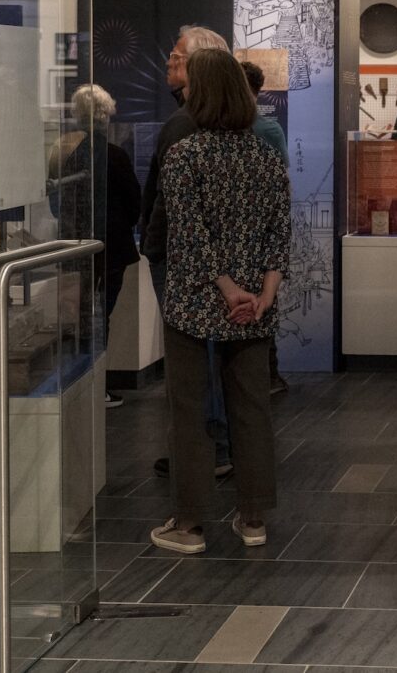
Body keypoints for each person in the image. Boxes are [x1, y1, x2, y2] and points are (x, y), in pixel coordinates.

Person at [150, 47, 291, 555]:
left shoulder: (185, 155)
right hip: (254, 305)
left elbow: (189, 236)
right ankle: (252, 518)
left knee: (188, 410)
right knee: (251, 409)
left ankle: (188, 526)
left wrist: (226, 287)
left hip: (195, 300)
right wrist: (262, 293)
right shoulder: (265, 155)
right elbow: (280, 231)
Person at [142, 25, 239, 478]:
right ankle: (210, 443)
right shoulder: (227, 128)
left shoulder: (184, 128)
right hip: (205, 259)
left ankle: (207, 445)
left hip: (185, 260)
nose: (169, 63)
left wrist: (156, 245)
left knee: (193, 359)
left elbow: (174, 206)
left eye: (178, 58)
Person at [53, 84, 143, 406]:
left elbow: (58, 202)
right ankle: (96, 387)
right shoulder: (114, 156)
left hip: (76, 245)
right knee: (101, 315)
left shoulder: (68, 154)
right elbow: (135, 202)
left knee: (80, 316)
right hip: (110, 247)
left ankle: (80, 384)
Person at [242, 61, 291, 396]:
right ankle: (267, 373)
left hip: (253, 229)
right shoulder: (269, 129)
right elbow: (283, 181)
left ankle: (265, 372)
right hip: (260, 229)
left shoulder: (266, 130)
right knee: (264, 297)